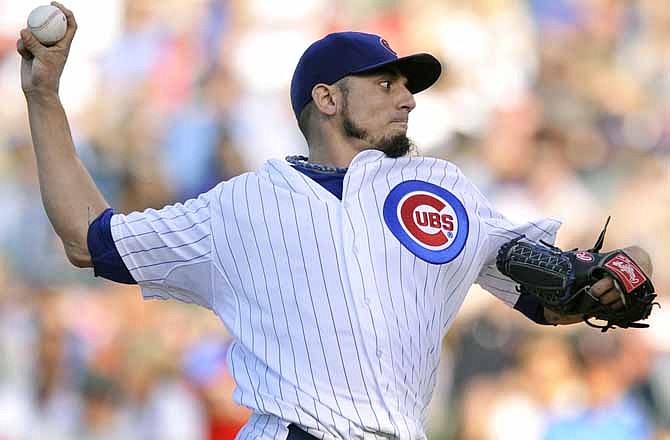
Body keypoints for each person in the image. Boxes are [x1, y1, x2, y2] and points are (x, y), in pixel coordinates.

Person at [17, 3, 654, 439]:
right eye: (384, 83)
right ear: (327, 99)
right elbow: (87, 237)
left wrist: (625, 273)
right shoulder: (240, 205)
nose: (407, 96)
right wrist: (43, 98)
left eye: (408, 85)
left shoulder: (443, 188)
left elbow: (561, 295)